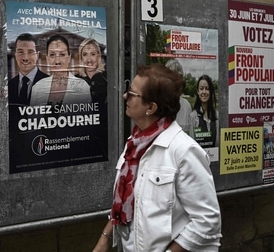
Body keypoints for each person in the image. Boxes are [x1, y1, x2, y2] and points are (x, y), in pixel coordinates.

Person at [93, 64, 221, 252]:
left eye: (132, 93)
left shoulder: (184, 151)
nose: (124, 96)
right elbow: (128, 201)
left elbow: (207, 221)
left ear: (151, 107)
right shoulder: (135, 144)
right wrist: (105, 239)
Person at [29, 34, 91, 106]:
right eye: (52, 55)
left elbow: (86, 116)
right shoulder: (37, 88)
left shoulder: (83, 87)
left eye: (62, 54)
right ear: (47, 58)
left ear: (69, 57)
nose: (57, 61)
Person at [8, 33, 49, 106]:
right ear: (15, 54)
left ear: (37, 55)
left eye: (30, 52)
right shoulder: (8, 86)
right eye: (20, 52)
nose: (25, 58)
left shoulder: (50, 85)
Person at [75, 38, 107, 105]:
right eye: (85, 54)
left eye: (93, 54)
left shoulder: (107, 78)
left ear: (98, 56)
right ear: (81, 58)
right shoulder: (75, 81)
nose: (89, 59)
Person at [189, 74, 219, 147]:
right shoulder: (193, 117)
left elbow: (218, 143)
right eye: (201, 88)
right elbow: (192, 145)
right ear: (198, 91)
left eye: (207, 88)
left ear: (211, 91)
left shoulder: (217, 115)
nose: (204, 92)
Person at [165, 59, 192, 134]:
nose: (175, 82)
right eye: (171, 77)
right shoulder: (158, 104)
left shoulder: (186, 106)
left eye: (178, 77)